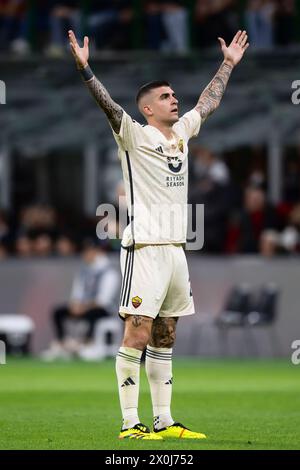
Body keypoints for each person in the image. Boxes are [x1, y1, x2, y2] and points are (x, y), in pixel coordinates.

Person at [68, 28, 249, 440]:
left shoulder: (181, 135)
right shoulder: (134, 134)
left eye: (173, 95)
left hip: (175, 251)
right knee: (138, 331)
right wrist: (85, 70)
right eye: (166, 97)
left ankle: (164, 420)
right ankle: (131, 423)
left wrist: (228, 64)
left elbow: (209, 102)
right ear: (148, 109)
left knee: (165, 335)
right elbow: (108, 106)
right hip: (144, 248)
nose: (174, 99)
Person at [42, 238, 120, 360]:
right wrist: (75, 305)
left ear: (96, 252)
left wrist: (84, 307)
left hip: (103, 310)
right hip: (83, 307)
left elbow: (103, 300)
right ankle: (62, 344)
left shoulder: (109, 272)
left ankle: (87, 344)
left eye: (88, 251)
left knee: (93, 314)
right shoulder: (83, 272)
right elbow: (77, 293)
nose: (85, 254)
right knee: (58, 312)